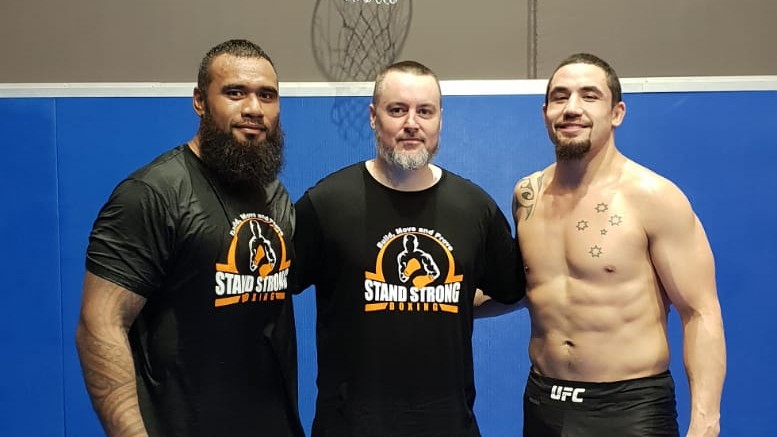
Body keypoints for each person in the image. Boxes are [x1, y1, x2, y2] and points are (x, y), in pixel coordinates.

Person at [75, 39, 304, 437]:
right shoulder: (153, 193)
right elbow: (101, 324)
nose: (254, 108)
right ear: (200, 101)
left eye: (267, 95)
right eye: (235, 93)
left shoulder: (273, 194)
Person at [293, 60, 525, 437]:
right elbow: (271, 290)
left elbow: (513, 290)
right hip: (350, 428)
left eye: (425, 111)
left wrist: (446, 300)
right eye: (397, 110)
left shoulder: (474, 208)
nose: (412, 123)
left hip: (448, 426)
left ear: (440, 120)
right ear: (373, 117)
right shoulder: (326, 204)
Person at [513, 53, 726, 437]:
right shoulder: (528, 196)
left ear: (617, 113)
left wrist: (706, 421)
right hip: (544, 403)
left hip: (630, 410)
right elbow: (523, 288)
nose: (572, 108)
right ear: (545, 113)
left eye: (589, 96)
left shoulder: (654, 198)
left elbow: (699, 311)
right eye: (560, 97)